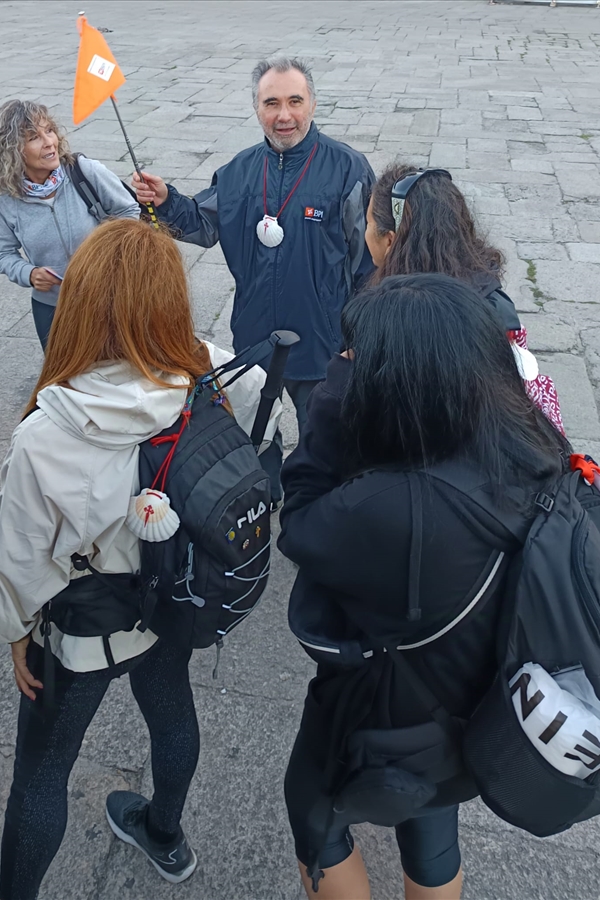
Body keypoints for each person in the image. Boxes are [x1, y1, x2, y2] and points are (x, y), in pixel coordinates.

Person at [0, 218, 280, 900]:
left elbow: (22, 561)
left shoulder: (47, 432)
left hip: (85, 628)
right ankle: (165, 833)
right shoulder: (213, 373)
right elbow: (274, 424)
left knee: (42, 773)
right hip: (175, 595)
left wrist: (15, 633)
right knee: (172, 710)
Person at [278, 274, 570, 900]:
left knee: (313, 813)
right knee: (432, 824)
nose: (345, 362)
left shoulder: (391, 508)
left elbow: (299, 523)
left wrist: (328, 402)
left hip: (385, 715)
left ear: (403, 381)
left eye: (355, 355)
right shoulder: (533, 442)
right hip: (475, 710)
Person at [132, 56, 375, 505]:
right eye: (271, 103)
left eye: (295, 101)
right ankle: (265, 494)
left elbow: (368, 261)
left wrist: (362, 336)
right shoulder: (238, 171)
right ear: (256, 108)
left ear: (313, 104)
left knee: (325, 435)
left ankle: (319, 507)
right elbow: (201, 225)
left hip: (323, 339)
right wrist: (166, 201)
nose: (284, 115)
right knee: (255, 430)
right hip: (254, 335)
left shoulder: (347, 169)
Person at [365, 163, 564, 434]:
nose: (364, 232)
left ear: (390, 241)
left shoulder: (391, 322)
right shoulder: (495, 303)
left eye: (368, 223)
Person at [0, 99, 140, 349]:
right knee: (62, 371)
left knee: (118, 365)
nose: (49, 142)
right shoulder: (6, 199)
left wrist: (111, 256)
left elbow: (128, 211)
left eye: (49, 130)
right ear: (12, 150)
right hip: (52, 306)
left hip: (108, 297)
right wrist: (29, 273)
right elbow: (3, 253)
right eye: (34, 137)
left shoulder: (84, 171)